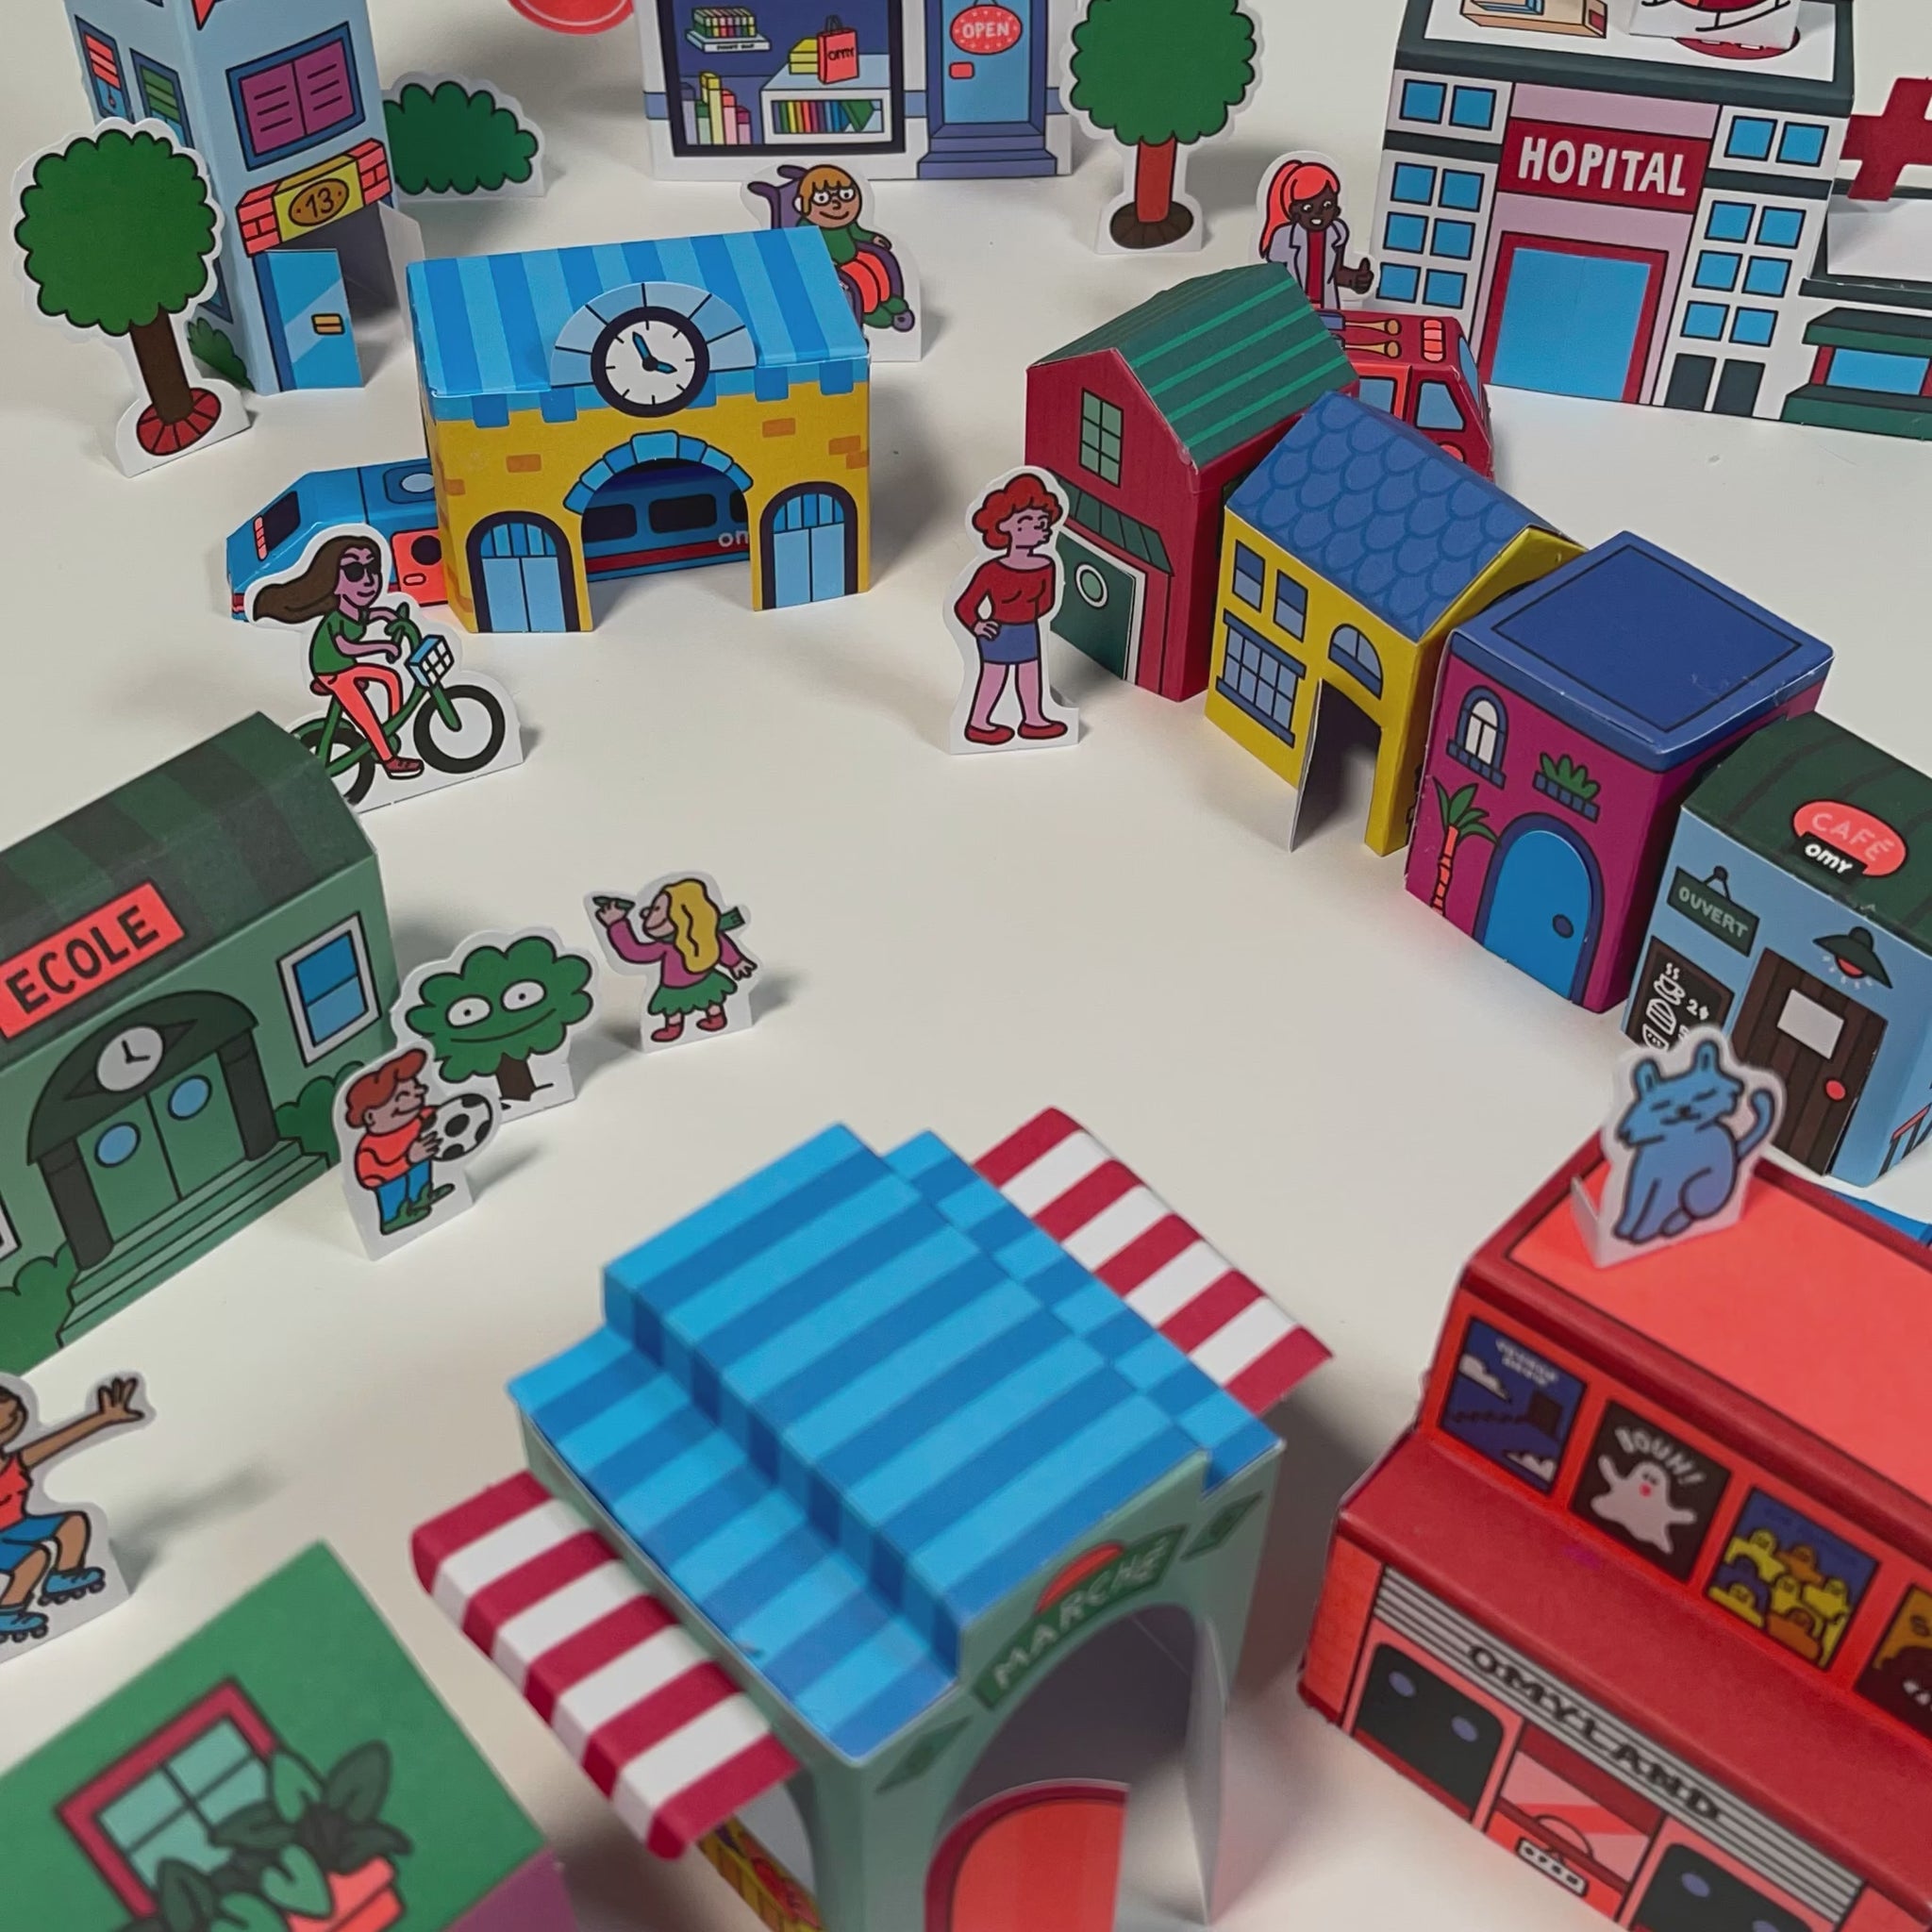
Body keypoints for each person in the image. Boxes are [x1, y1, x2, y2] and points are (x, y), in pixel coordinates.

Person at [254, 535, 425, 779]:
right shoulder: (336, 619)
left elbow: (369, 616)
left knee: (391, 677)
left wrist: (387, 615)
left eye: (372, 568)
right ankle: (389, 759)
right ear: (332, 581)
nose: (368, 579)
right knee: (366, 717)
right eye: (354, 572)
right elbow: (346, 648)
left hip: (345, 668)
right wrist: (383, 646)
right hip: (332, 672)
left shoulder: (354, 612)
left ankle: (392, 727)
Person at [0, 1375, 143, 1641]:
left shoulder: (15, 1462)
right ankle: (7, 1611)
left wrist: (102, 1418)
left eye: (14, 1416)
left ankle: (64, 1575)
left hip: (19, 1525)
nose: (13, 1421)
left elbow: (55, 1442)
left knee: (73, 1523)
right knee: (34, 1559)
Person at [952, 473, 1069, 748]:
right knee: (993, 676)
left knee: (1031, 673)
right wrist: (978, 625)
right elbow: (964, 604)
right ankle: (978, 723)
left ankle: (1033, 719)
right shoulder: (992, 569)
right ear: (1005, 526)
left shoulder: (1046, 565)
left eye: (1042, 522)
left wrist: (1028, 613)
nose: (1038, 527)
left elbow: (1047, 604)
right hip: (999, 631)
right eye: (1027, 521)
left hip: (1028, 629)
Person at [594, 878, 757, 1043]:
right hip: (674, 987)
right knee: (673, 1007)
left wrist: (736, 962)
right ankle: (674, 1027)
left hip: (704, 979)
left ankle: (716, 1017)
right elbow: (634, 952)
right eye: (651, 909)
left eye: (657, 909)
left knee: (710, 998)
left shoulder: (702, 937)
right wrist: (617, 924)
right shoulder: (664, 947)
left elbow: (719, 946)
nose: (647, 916)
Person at [793, 165, 914, 334]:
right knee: (861, 278)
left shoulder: (847, 224)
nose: (836, 204)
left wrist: (872, 238)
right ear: (802, 205)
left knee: (877, 264)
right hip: (834, 265)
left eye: (845, 195)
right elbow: (804, 247)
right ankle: (870, 309)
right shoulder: (805, 227)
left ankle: (887, 299)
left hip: (854, 255)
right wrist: (822, 260)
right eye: (822, 199)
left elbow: (857, 232)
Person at [343, 1050, 453, 1235]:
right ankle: (395, 1217)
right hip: (389, 1180)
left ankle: (421, 1197)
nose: (419, 1093)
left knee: (421, 1162)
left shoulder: (416, 1120)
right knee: (396, 1184)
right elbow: (369, 1177)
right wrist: (407, 1160)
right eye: (403, 1095)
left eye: (416, 1088)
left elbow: (436, 1113)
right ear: (371, 1116)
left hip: (416, 1164)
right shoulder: (369, 1148)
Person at [1259, 159, 1374, 308]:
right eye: (1308, 208)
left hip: (1327, 306)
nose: (1318, 213)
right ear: (1294, 210)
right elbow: (1275, 278)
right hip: (1293, 308)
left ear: (1336, 209)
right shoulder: (1283, 236)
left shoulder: (1337, 232)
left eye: (1327, 205)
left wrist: (1355, 280)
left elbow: (1335, 272)